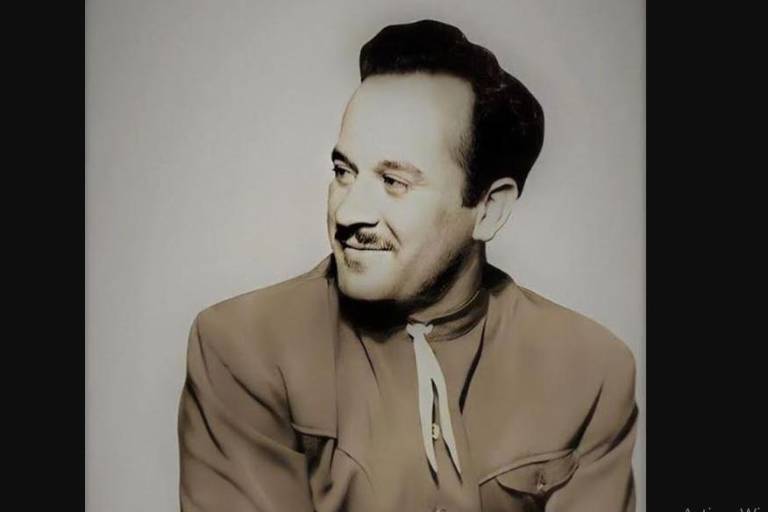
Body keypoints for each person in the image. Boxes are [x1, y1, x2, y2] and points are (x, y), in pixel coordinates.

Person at [178, 19, 638, 512]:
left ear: (489, 209)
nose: (348, 213)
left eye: (394, 181)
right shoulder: (244, 348)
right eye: (343, 172)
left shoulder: (590, 372)